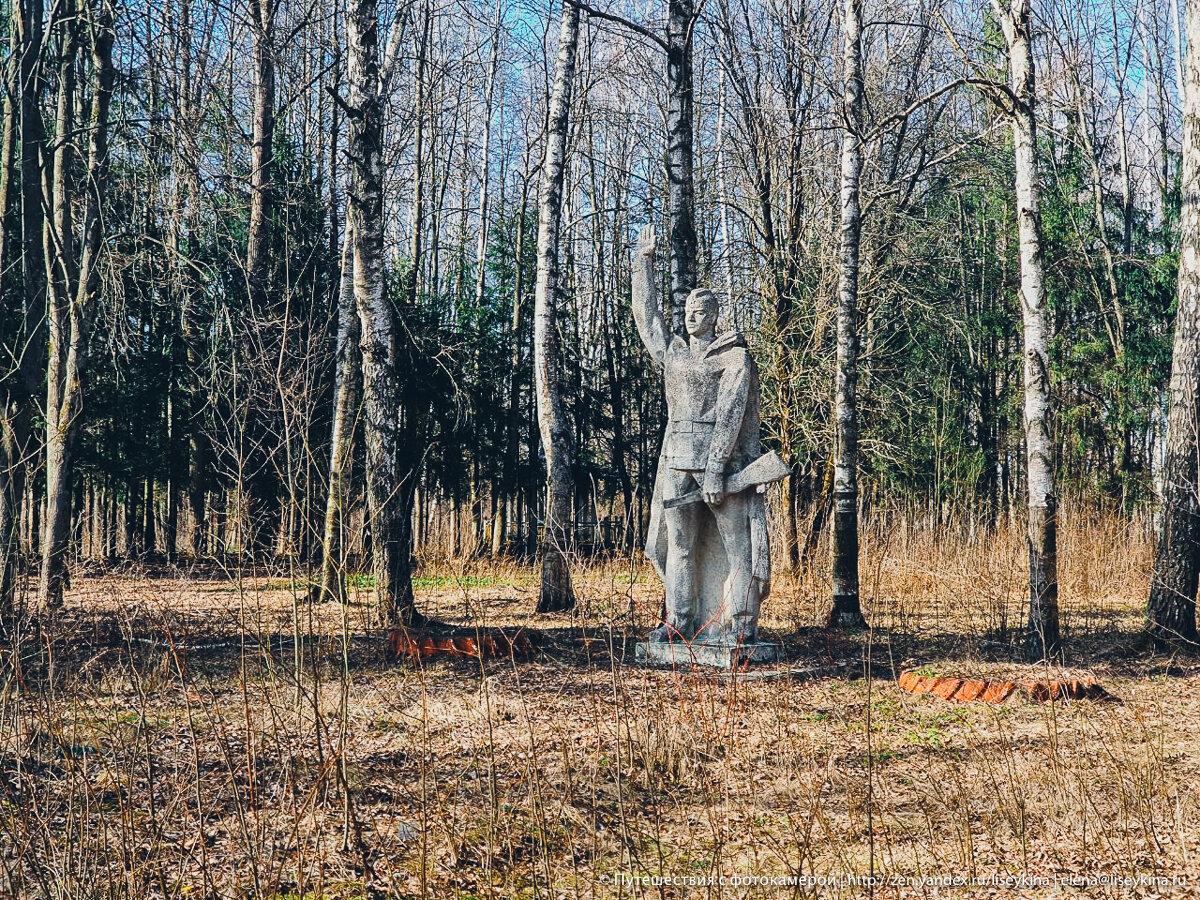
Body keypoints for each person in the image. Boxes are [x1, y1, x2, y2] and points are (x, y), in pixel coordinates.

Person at [631, 224, 770, 645]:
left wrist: (714, 470)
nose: (690, 316)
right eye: (687, 310)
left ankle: (740, 624)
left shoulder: (735, 359)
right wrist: (644, 263)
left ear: (713, 317)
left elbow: (731, 415)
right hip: (676, 460)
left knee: (736, 546)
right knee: (678, 544)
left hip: (724, 465)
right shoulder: (673, 353)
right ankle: (679, 622)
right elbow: (647, 319)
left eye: (699, 310)